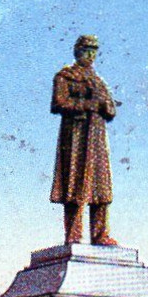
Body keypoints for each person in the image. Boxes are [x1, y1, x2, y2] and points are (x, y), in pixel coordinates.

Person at [50, 34, 117, 246]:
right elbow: (59, 102)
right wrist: (87, 105)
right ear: (77, 51)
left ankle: (101, 234)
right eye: (86, 50)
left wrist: (104, 104)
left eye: (93, 50)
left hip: (96, 141)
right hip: (76, 137)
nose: (90, 55)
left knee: (101, 186)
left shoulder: (98, 81)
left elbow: (110, 109)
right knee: (75, 184)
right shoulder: (65, 76)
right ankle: (73, 234)